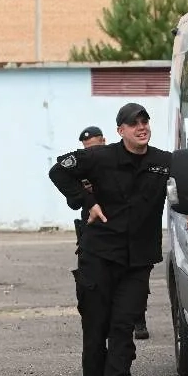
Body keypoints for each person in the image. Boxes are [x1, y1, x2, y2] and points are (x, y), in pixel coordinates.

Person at [49, 103, 171, 376]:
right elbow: (58, 170)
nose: (141, 127)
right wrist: (87, 201)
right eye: (134, 124)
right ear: (120, 130)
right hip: (99, 257)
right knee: (96, 328)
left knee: (122, 330)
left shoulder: (162, 162)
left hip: (137, 262)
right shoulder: (99, 157)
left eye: (145, 121)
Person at [74, 126, 151, 340]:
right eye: (87, 149)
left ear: (104, 141)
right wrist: (85, 193)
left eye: (95, 147)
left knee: (132, 278)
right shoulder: (84, 168)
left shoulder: (119, 161)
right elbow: (73, 202)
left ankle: (138, 319)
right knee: (95, 282)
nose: (92, 152)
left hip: (124, 230)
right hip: (95, 232)